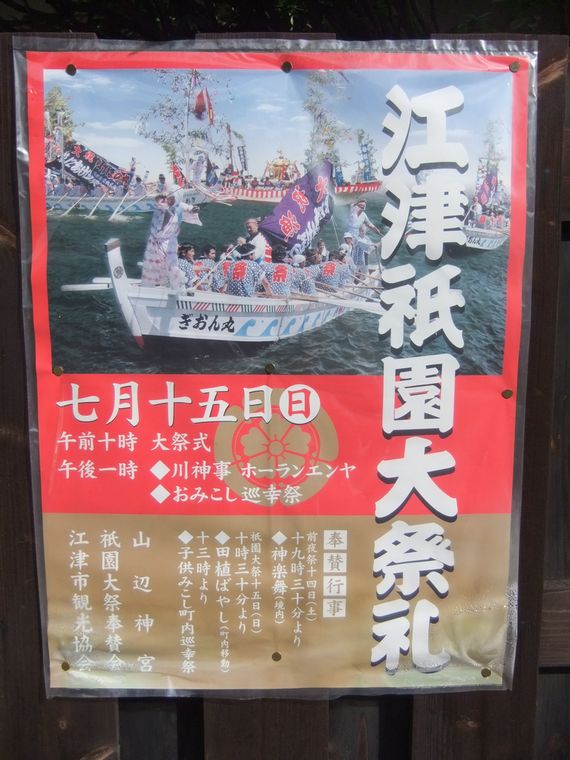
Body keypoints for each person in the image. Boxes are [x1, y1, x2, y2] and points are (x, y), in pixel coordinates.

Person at [141, 193, 196, 287]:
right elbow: (162, 213)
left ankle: (175, 281)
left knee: (170, 262)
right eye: (164, 199)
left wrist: (194, 209)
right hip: (158, 240)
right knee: (158, 261)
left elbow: (189, 208)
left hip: (169, 240)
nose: (167, 200)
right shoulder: (162, 207)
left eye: (170, 198)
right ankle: (159, 282)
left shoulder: (178, 206)